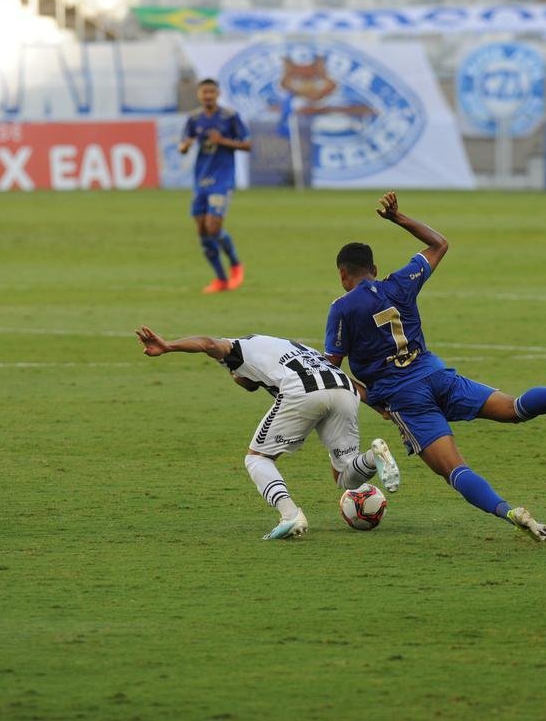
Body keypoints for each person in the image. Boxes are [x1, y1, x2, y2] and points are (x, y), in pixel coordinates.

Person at [324, 193, 546, 544]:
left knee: (455, 469)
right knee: (513, 409)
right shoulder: (399, 282)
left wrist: (375, 402)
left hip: (406, 399)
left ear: (343, 275)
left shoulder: (342, 308)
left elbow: (333, 372)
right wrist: (398, 218)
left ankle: (511, 513)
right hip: (438, 375)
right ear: (373, 269)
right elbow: (439, 243)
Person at [135, 326, 400, 540]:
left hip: (303, 391)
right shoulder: (295, 348)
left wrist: (169, 346)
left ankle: (289, 514)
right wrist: (378, 407)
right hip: (344, 392)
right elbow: (341, 379)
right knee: (346, 477)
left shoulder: (239, 347)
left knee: (257, 458)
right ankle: (372, 455)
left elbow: (207, 343)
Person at [179, 78, 251, 294]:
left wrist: (224, 141)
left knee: (213, 227)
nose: (208, 95)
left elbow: (247, 144)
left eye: (212, 92)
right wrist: (186, 145)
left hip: (222, 179)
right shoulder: (193, 118)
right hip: (201, 180)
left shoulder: (230, 117)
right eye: (204, 92)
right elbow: (182, 146)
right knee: (201, 229)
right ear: (199, 95)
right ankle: (220, 279)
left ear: (218, 93)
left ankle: (236, 263)